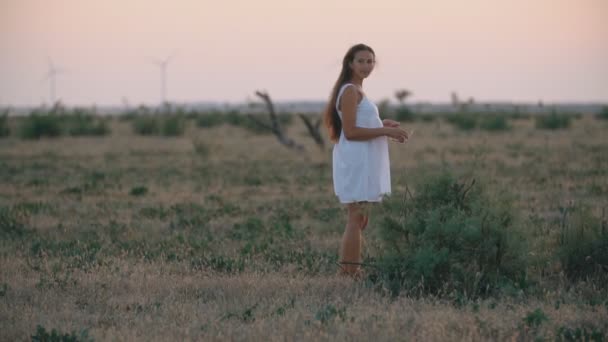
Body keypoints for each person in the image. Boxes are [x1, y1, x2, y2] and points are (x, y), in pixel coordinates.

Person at [323, 43, 409, 277]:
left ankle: (351, 270)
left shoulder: (356, 91)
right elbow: (350, 132)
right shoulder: (350, 90)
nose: (366, 66)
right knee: (355, 217)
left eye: (370, 61)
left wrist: (381, 125)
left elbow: (359, 125)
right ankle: (349, 273)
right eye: (361, 61)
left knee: (359, 218)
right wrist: (385, 132)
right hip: (356, 161)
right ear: (350, 63)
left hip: (362, 160)